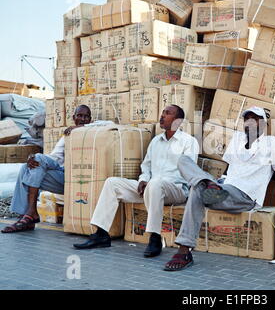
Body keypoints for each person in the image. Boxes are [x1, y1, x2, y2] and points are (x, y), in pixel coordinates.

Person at [163, 106, 275, 271]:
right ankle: (206, 183)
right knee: (183, 160)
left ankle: (184, 251)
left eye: (254, 119)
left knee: (197, 189)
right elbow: (228, 169)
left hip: (244, 197)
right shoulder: (237, 139)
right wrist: (216, 182)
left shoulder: (271, 143)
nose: (250, 123)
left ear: (263, 124)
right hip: (222, 188)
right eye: (247, 119)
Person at [73, 105, 200, 259]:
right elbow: (146, 166)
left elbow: (188, 171)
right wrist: (143, 180)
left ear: (178, 121)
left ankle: (154, 237)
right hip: (152, 188)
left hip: (177, 190)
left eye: (167, 113)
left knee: (156, 184)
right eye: (162, 112)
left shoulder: (188, 142)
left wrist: (153, 182)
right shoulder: (156, 142)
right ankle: (101, 234)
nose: (162, 116)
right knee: (112, 183)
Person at [2, 105, 92, 233]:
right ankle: (25, 217)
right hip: (61, 178)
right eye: (80, 116)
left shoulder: (94, 132)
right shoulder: (66, 135)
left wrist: (81, 129)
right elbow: (53, 158)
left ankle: (31, 213)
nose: (83, 119)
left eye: (86, 116)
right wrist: (34, 159)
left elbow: (107, 124)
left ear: (90, 120)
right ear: (74, 117)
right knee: (27, 167)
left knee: (37, 160)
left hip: (76, 179)